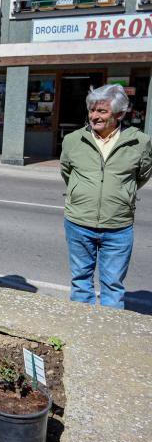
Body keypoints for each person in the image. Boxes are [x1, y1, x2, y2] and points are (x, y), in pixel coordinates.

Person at [60, 84, 151, 309]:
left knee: (113, 285)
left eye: (102, 111)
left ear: (119, 114)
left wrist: (120, 194)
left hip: (118, 226)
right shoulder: (73, 140)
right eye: (92, 110)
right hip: (79, 222)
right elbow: (67, 172)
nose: (94, 116)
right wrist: (82, 193)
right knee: (81, 282)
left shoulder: (140, 142)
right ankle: (80, 334)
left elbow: (142, 175)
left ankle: (107, 340)